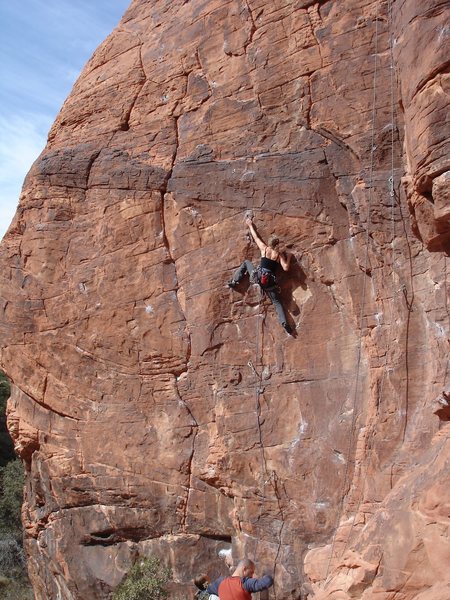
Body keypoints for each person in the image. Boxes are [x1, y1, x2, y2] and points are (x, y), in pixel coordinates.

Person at [228, 216, 292, 334]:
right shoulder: (279, 255)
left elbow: (256, 237)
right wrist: (288, 257)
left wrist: (250, 225)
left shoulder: (264, 248)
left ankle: (234, 281)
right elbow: (286, 268)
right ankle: (284, 323)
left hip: (257, 277)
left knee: (247, 262)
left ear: (270, 243)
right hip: (269, 284)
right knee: (277, 302)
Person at [206, 558, 273, 599]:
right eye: (251, 572)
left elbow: (208, 590)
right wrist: (258, 578)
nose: (252, 575)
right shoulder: (245, 583)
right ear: (244, 569)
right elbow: (268, 581)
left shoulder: (219, 582)